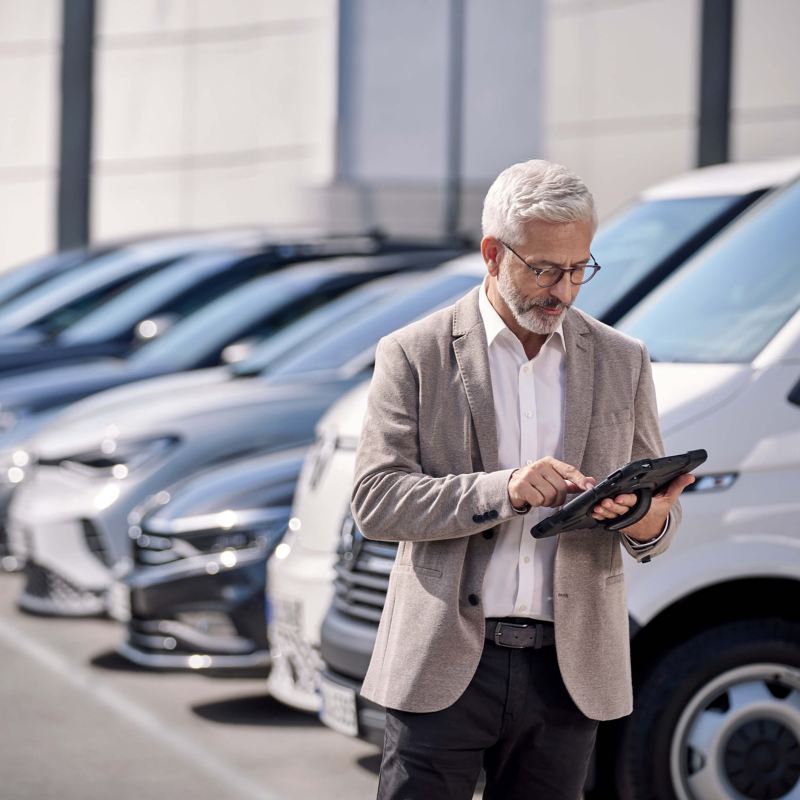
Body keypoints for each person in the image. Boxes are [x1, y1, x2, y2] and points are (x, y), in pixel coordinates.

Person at [351, 159, 694, 800]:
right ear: (492, 254)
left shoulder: (625, 360)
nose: (562, 290)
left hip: (569, 672)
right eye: (543, 269)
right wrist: (502, 490)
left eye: (578, 269)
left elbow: (657, 522)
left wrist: (642, 519)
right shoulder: (414, 352)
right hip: (444, 661)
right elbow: (376, 500)